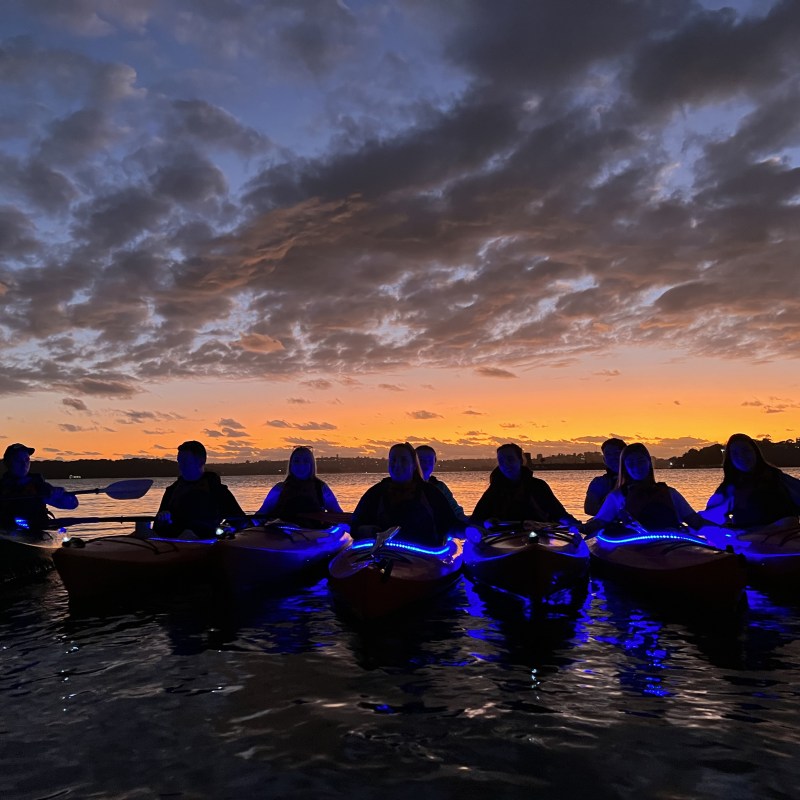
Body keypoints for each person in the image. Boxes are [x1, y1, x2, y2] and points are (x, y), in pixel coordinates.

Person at [350, 442, 460, 547]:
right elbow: (354, 525)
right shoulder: (376, 492)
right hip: (382, 555)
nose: (397, 465)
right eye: (393, 460)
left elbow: (450, 524)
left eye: (403, 461)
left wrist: (469, 531)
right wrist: (368, 530)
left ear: (414, 465)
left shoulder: (430, 493)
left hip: (424, 557)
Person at [584, 442, 707, 536]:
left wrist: (720, 530)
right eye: (631, 463)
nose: (637, 467)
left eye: (641, 461)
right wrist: (579, 528)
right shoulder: (617, 496)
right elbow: (599, 522)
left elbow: (696, 522)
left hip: (672, 545)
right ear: (625, 467)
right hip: (636, 549)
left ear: (649, 463)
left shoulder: (670, 493)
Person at [470, 443, 580, 532]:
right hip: (504, 537)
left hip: (541, 534)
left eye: (510, 459)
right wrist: (486, 523)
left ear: (521, 461)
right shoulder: (494, 490)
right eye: (501, 461)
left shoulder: (538, 486)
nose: (506, 464)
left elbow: (558, 513)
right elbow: (476, 520)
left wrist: (576, 525)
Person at [703, 433, 800, 527]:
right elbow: (711, 517)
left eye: (746, 451)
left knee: (788, 521)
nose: (742, 457)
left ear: (755, 452)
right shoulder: (730, 488)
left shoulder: (777, 477)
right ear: (730, 459)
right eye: (735, 453)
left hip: (788, 534)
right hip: (752, 538)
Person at [153, 440, 246, 538]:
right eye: (179, 461)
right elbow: (157, 527)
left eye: (185, 461)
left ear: (201, 461)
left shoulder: (217, 490)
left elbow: (240, 520)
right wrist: (163, 519)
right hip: (175, 543)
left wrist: (222, 530)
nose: (181, 465)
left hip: (207, 542)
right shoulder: (172, 491)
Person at [0, 443, 79, 530]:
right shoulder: (2, 486)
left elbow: (73, 504)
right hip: (8, 529)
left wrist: (61, 495)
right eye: (18, 460)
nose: (24, 464)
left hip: (38, 529)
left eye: (27, 460)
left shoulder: (38, 485)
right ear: (8, 463)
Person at [256, 446, 343, 523]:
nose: (301, 466)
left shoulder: (321, 489)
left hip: (312, 535)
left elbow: (338, 515)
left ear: (311, 465)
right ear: (291, 465)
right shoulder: (279, 489)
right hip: (282, 535)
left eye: (306, 461)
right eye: (297, 461)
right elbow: (261, 514)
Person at [415, 444, 468, 524]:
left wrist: (468, 522)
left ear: (434, 462)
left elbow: (454, 509)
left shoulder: (440, 487)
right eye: (421, 461)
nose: (425, 464)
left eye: (429, 461)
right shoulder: (405, 486)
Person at [584, 438, 626, 515]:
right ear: (604, 459)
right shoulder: (599, 482)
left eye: (617, 453)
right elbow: (589, 509)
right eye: (608, 454)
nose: (613, 458)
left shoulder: (638, 479)